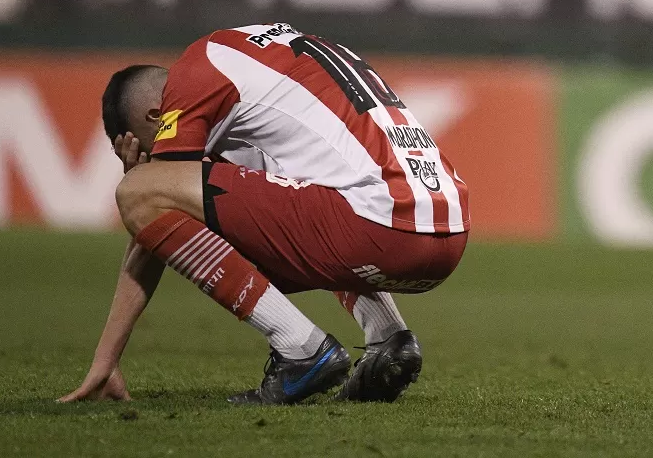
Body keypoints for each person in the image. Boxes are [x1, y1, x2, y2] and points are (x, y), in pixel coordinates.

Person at [59, 22, 468, 406]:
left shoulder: (192, 76)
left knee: (139, 193)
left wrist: (143, 177)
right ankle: (387, 336)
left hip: (380, 228)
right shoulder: (257, 62)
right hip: (446, 234)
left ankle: (301, 349)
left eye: (147, 147)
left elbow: (150, 207)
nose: (154, 156)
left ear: (155, 116)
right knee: (279, 197)